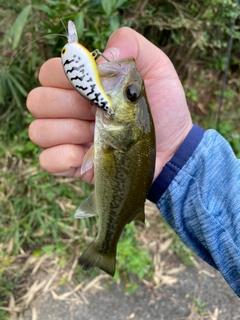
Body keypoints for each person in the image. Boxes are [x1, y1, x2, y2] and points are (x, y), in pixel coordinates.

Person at [26, 27, 240, 297]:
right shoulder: (123, 129)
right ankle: (105, 247)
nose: (128, 84)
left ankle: (104, 248)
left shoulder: (128, 132)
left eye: (131, 95)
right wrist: (181, 151)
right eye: (133, 93)